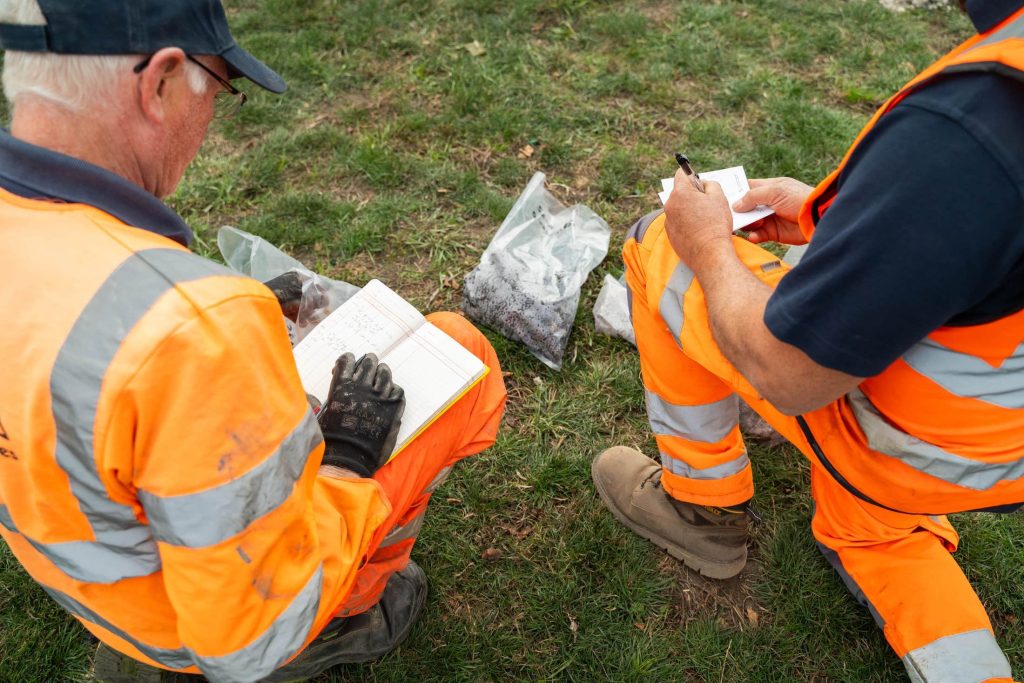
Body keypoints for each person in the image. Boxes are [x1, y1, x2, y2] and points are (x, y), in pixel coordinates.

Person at [0, 1, 506, 682]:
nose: (211, 118)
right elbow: (250, 635)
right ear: (160, 83)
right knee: (461, 352)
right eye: (217, 89)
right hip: (195, 627)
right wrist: (349, 459)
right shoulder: (190, 330)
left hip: (91, 574)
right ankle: (351, 611)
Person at [592, 1, 1024, 681]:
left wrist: (706, 244)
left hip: (905, 444)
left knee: (657, 245)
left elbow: (787, 372)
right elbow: (986, 259)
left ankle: (701, 505)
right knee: (876, 527)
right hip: (1000, 447)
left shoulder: (980, 122)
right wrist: (836, 218)